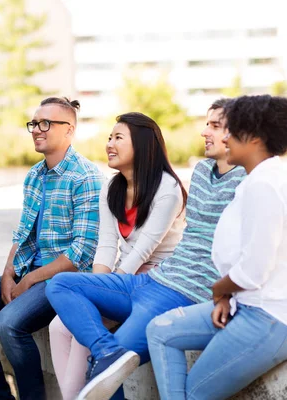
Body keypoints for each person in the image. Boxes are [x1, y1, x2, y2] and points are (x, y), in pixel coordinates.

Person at [46, 99, 247, 400]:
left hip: (172, 286)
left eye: (214, 126)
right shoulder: (202, 172)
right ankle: (105, 350)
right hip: (145, 280)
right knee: (60, 290)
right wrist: (101, 283)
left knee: (100, 367)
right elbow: (107, 244)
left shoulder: (177, 187)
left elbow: (146, 250)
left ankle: (100, 360)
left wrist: (224, 292)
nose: (204, 132)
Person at [146, 95, 287, 400]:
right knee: (161, 330)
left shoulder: (264, 187)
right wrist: (228, 295)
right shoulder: (256, 180)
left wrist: (220, 290)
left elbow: (254, 270)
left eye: (231, 130)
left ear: (252, 138)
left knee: (195, 393)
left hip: (274, 319)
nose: (224, 137)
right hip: (247, 306)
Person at [0, 97, 105, 400]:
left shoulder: (86, 176)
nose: (37, 129)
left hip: (64, 280)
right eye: (34, 123)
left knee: (9, 323)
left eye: (45, 123)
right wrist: (9, 272)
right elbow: (23, 234)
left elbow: (81, 252)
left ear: (69, 130)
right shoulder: (35, 175)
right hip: (28, 271)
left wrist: (31, 280)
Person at [48, 112, 187, 400]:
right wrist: (95, 289)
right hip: (124, 279)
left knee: (83, 332)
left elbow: (142, 250)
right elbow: (107, 245)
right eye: (109, 137)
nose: (109, 143)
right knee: (59, 325)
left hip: (157, 284)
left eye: (118, 137)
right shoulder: (112, 187)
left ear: (143, 144)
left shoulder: (167, 189)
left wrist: (102, 291)